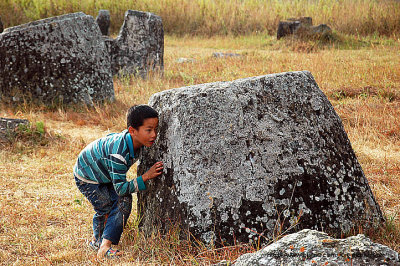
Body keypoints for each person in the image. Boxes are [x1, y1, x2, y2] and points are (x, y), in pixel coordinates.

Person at [73, 105, 163, 259]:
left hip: (105, 173)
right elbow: (120, 189)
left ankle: (103, 243)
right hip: (87, 176)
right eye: (149, 130)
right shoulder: (118, 153)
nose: (154, 135)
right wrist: (146, 176)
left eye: (156, 129)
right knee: (106, 206)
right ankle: (100, 245)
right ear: (132, 131)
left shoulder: (138, 143)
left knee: (124, 201)